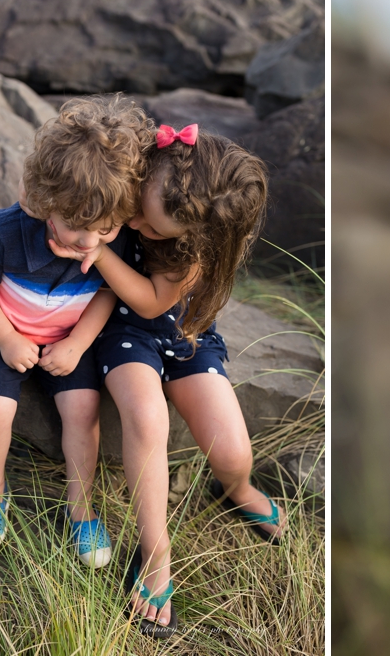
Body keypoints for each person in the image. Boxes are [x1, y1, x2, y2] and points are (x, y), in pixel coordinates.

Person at [86, 123, 279, 638]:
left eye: (153, 230)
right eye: (142, 215)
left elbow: (152, 300)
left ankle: (235, 486)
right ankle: (155, 549)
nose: (138, 227)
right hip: (120, 330)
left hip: (182, 333)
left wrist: (102, 252)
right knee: (146, 419)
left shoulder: (193, 240)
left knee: (234, 450)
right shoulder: (137, 179)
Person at [0, 96, 149, 568]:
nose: (88, 243)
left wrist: (79, 344)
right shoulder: (5, 232)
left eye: (104, 231)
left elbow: (108, 291)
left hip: (70, 336)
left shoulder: (111, 238)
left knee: (83, 411)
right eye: (75, 227)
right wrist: (5, 337)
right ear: (46, 202)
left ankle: (81, 509)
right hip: (8, 328)